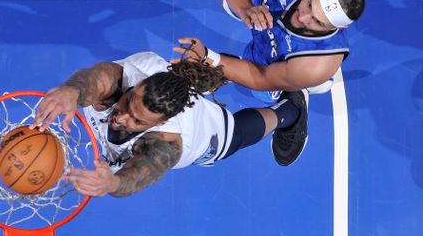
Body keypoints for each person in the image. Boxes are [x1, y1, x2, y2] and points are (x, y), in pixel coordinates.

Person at [31, 51, 308, 198]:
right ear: (136, 86)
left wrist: (112, 183)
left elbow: (138, 175)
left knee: (235, 136)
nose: (121, 117)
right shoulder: (130, 74)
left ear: (161, 122)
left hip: (208, 134)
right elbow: (94, 79)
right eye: (127, 103)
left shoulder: (170, 141)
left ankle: (289, 110)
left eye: (137, 120)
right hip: (169, 84)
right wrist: (70, 92)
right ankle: (212, 70)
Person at [172, 0, 365, 99]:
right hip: (259, 12)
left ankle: (299, 90)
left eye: (317, 22)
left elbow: (262, 77)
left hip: (281, 61)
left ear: (337, 28)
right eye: (309, 4)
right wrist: (245, 9)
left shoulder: (314, 65)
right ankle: (292, 78)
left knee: (262, 94)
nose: (303, 18)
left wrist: (209, 57)